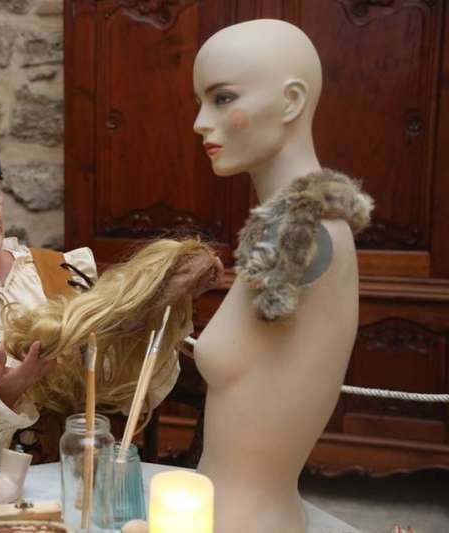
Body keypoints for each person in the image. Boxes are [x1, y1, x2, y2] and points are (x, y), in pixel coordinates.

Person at [0, 132, 222, 480]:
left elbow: (116, 387)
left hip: (75, 481)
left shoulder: (63, 273)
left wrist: (160, 298)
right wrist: (2, 397)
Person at [191, 20, 372, 533]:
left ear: (291, 102)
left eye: (223, 98)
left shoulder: (297, 237)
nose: (200, 123)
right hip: (251, 511)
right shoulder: (317, 226)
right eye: (201, 102)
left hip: (241, 520)